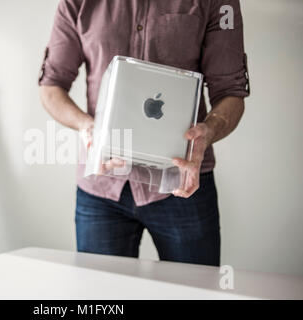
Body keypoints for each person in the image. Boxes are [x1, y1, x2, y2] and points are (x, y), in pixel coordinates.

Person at [38, 0, 250, 266]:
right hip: (101, 189)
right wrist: (87, 126)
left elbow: (231, 91)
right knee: (100, 301)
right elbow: (51, 86)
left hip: (182, 183)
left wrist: (207, 132)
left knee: (196, 293)